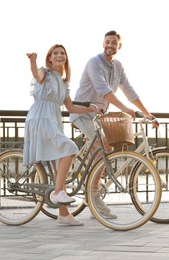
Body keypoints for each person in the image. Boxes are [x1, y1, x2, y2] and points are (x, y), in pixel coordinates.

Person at [69, 30, 158, 219]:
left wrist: (148, 113)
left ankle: (91, 186)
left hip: (98, 115)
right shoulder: (94, 62)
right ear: (103, 44)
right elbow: (104, 90)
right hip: (83, 112)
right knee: (105, 147)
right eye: (107, 42)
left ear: (119, 46)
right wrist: (125, 109)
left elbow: (130, 91)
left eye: (114, 43)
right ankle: (92, 195)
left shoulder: (118, 66)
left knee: (103, 148)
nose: (110, 46)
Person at [24, 44, 95, 226]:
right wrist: (33, 61)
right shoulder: (44, 74)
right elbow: (36, 74)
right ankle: (57, 192)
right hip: (40, 119)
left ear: (65, 58)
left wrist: (92, 108)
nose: (59, 55)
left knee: (58, 169)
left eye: (62, 53)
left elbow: (71, 108)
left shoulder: (63, 83)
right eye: (55, 53)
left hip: (53, 121)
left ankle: (63, 214)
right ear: (49, 58)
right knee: (70, 148)